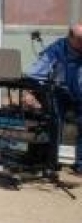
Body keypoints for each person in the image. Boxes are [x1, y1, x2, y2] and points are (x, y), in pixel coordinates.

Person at [24, 22, 82, 173]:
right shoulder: (56, 50)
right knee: (54, 118)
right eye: (80, 39)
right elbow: (35, 74)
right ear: (70, 37)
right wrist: (29, 92)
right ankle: (52, 161)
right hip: (60, 92)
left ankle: (80, 164)